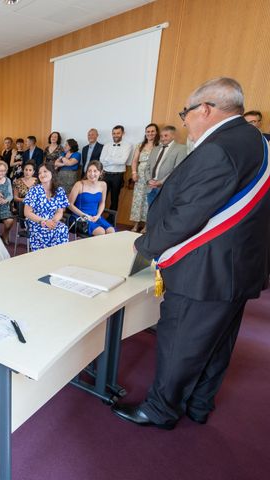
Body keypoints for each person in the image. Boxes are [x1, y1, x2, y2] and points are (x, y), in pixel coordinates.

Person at [111, 77, 270, 429]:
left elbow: (188, 214)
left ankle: (161, 410)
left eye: (186, 113)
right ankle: (199, 404)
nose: (184, 121)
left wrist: (144, 247)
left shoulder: (219, 148)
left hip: (204, 270)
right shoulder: (257, 141)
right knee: (218, 342)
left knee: (181, 341)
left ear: (206, 109)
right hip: (238, 268)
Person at [23, 163, 69, 251]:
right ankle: (42, 258)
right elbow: (27, 213)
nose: (42, 174)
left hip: (52, 220)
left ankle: (58, 257)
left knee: (62, 228)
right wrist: (44, 221)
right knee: (44, 230)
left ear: (52, 173)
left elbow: (59, 212)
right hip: (36, 221)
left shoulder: (59, 191)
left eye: (45, 171)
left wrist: (53, 221)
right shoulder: (34, 190)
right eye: (40, 173)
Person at [67, 161, 114, 236]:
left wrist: (98, 215)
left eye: (95, 171)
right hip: (80, 217)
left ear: (101, 172)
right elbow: (69, 204)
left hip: (95, 216)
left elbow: (102, 203)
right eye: (89, 171)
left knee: (111, 231)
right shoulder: (79, 184)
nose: (92, 174)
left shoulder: (103, 185)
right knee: (101, 232)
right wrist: (84, 216)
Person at [129, 123, 160, 232]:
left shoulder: (160, 145)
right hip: (140, 175)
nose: (150, 133)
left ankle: (147, 225)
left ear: (156, 132)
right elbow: (134, 161)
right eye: (148, 131)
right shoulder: (140, 145)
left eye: (152, 131)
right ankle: (136, 225)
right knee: (138, 200)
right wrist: (134, 173)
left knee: (149, 200)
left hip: (153, 175)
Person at [146, 126, 187, 205]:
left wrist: (161, 182)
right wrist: (149, 180)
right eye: (161, 136)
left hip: (166, 187)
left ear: (173, 136)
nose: (163, 138)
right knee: (151, 211)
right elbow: (147, 167)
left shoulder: (181, 148)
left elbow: (177, 170)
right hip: (151, 187)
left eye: (166, 135)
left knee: (162, 213)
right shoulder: (155, 148)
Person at [99, 125, 133, 221]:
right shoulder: (107, 144)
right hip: (105, 174)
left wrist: (108, 160)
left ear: (123, 133)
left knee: (114, 198)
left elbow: (122, 161)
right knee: (102, 197)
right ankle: (99, 216)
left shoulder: (128, 145)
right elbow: (101, 159)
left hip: (117, 175)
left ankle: (111, 219)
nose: (116, 135)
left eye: (118, 133)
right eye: (114, 133)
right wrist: (114, 160)